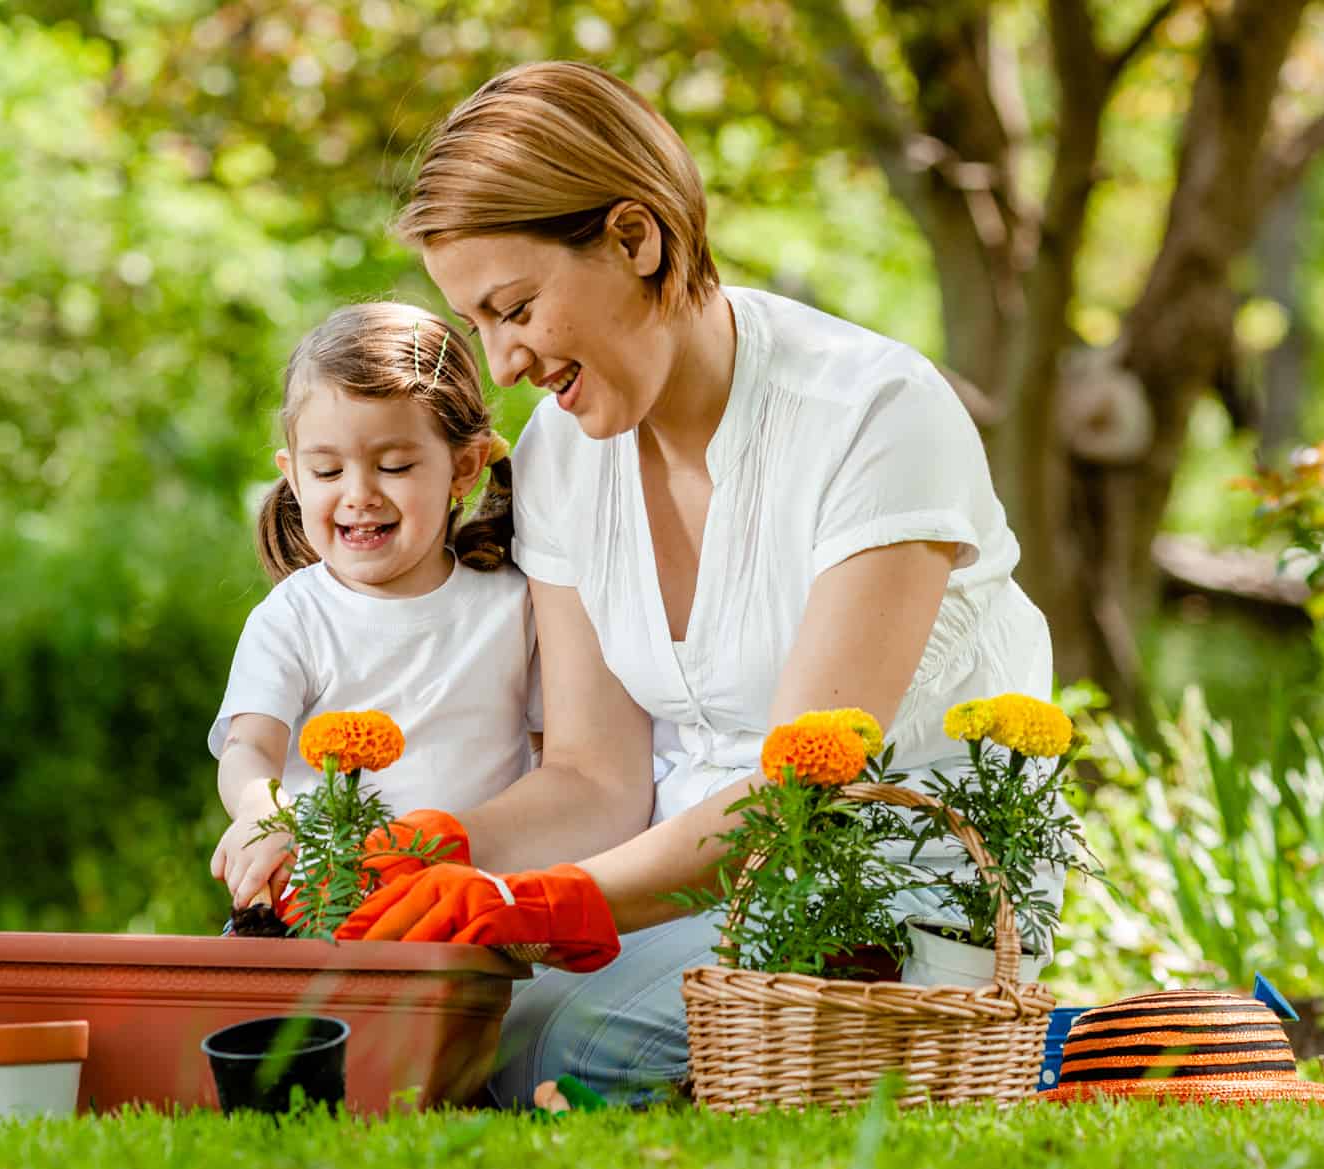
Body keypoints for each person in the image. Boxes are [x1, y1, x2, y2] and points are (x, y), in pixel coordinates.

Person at [334, 61, 1057, 1105]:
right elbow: (593, 774)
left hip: (886, 909)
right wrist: (444, 850)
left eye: (517, 307)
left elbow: (800, 792)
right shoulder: (560, 456)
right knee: (416, 1020)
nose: (502, 362)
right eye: (478, 324)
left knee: (553, 1048)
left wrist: (549, 902)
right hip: (662, 902)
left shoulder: (871, 413)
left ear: (636, 238)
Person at [208, 302, 543, 913]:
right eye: (328, 469)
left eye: (394, 466)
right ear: (294, 475)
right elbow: (249, 748)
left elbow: (555, 762)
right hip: (322, 910)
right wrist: (265, 813)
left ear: (462, 468)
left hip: (468, 913)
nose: (358, 495)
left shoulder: (513, 606)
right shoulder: (295, 618)